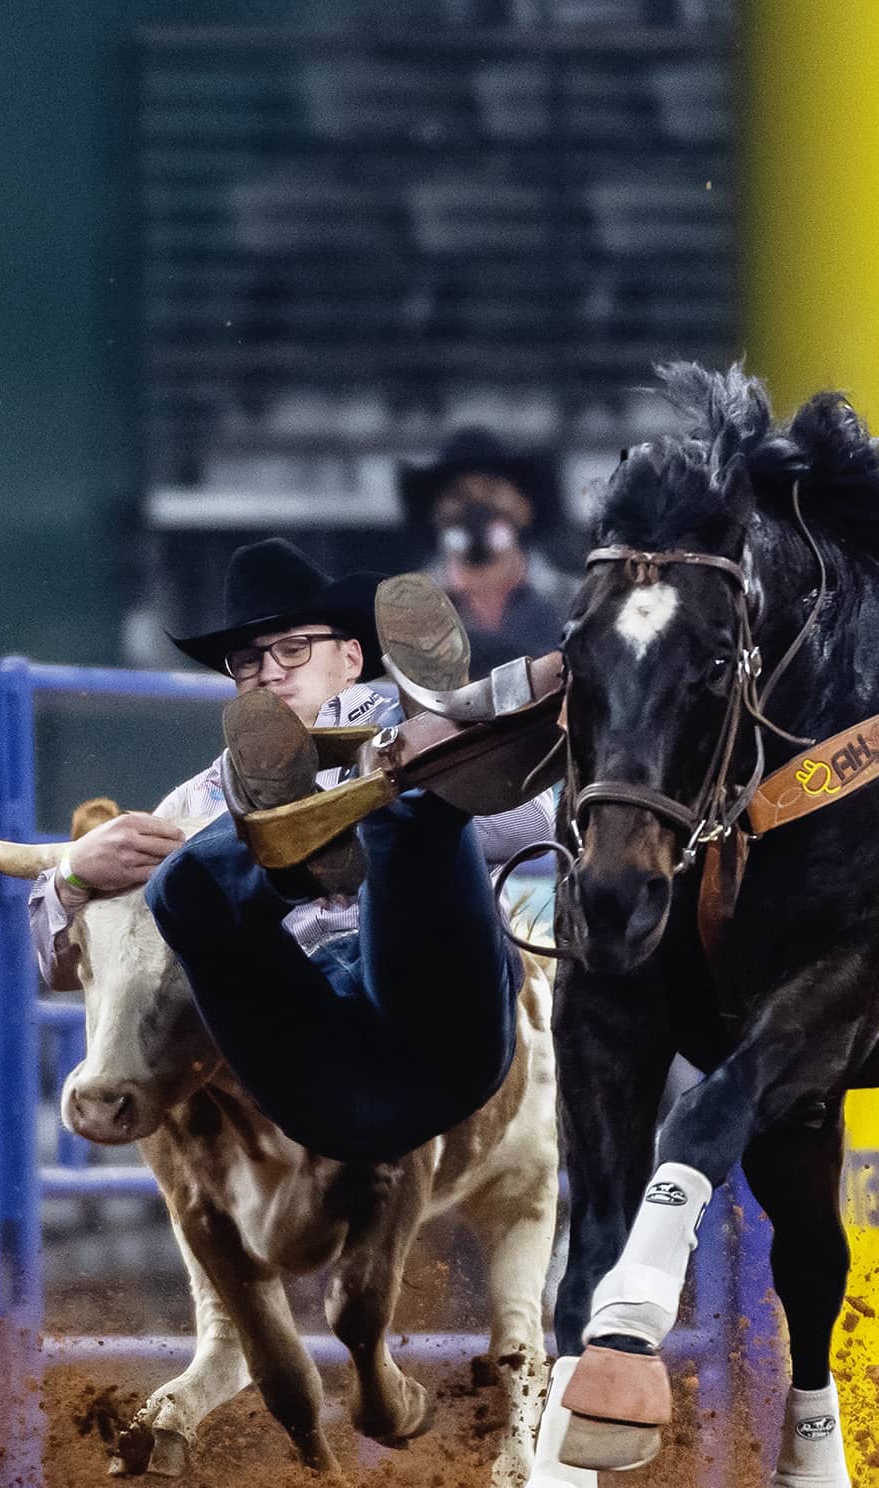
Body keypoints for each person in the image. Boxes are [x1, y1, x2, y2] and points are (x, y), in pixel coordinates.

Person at [30, 539, 560, 1165]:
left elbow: (532, 826)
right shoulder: (200, 796)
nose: (271, 671)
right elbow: (62, 969)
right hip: (315, 1063)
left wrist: (370, 798)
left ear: (351, 657)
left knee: (407, 800)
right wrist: (69, 875)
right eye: (248, 660)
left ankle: (354, 807)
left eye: (293, 647)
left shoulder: (403, 734)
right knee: (181, 887)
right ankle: (301, 837)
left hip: (441, 1025)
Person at [397, 428, 573, 671]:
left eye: (492, 490)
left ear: (525, 508)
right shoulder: (402, 614)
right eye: (458, 494)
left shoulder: (577, 605)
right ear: (434, 514)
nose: (476, 507)